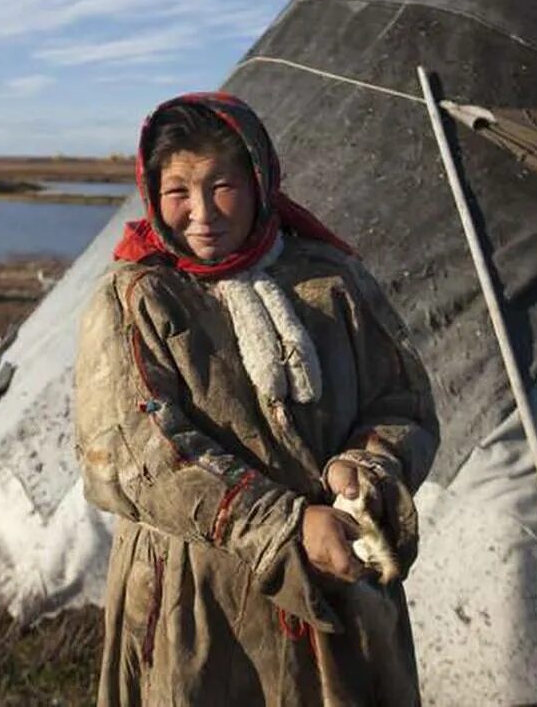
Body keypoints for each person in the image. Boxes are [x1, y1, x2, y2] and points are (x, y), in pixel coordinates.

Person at [74, 92, 438, 706]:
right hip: (199, 600)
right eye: (178, 192)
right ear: (153, 195)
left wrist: (368, 467)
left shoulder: (332, 279)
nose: (201, 213)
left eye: (223, 186)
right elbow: (135, 458)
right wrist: (286, 526)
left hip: (340, 577)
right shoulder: (137, 297)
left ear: (260, 180)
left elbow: (402, 399)